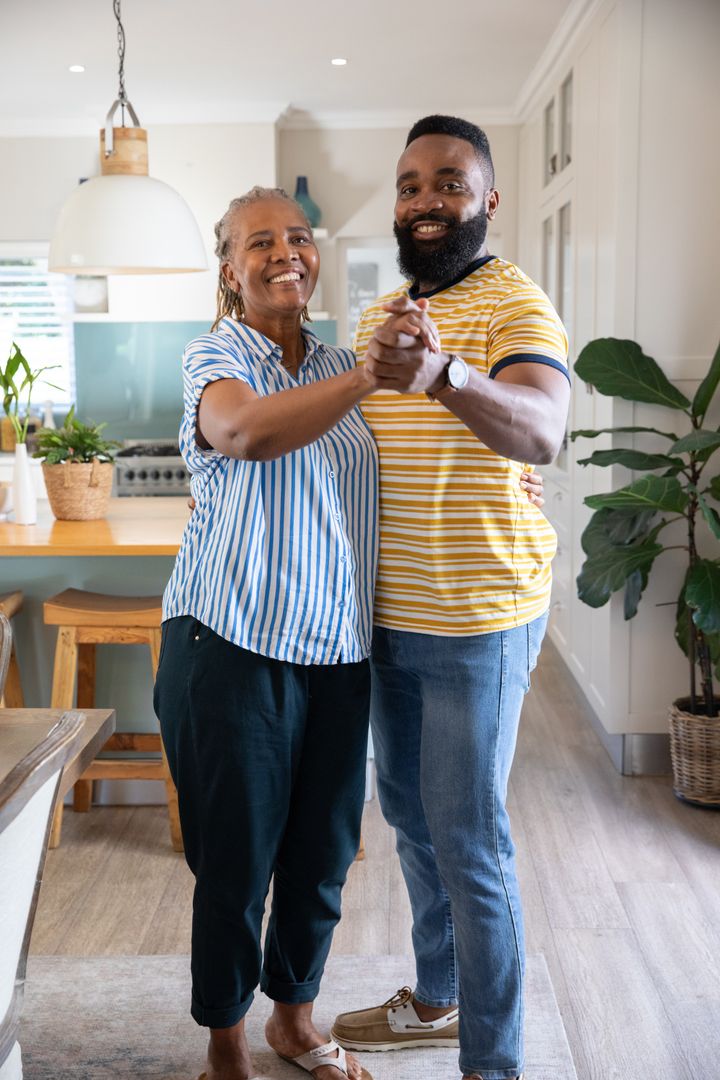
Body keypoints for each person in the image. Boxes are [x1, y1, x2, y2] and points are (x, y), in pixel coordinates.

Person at [154, 183, 545, 1080]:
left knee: (323, 856)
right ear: (229, 268)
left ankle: (294, 1020)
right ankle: (225, 1043)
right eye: (260, 242)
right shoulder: (216, 355)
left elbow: (424, 449)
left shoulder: (338, 361)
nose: (285, 251)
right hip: (232, 645)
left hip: (336, 653)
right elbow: (245, 432)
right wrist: (369, 373)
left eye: (297, 236)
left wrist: (510, 484)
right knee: (237, 861)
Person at [331, 116, 571, 1080]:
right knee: (413, 821)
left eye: (450, 183)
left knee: (470, 841)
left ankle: (493, 1064)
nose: (426, 199)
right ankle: (437, 997)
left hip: (480, 617)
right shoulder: (372, 320)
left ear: (488, 201)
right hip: (391, 617)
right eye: (410, 185)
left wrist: (447, 375)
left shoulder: (517, 304)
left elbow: (542, 430)